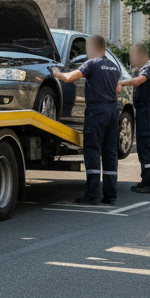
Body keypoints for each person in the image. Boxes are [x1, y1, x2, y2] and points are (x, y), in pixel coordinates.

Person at [52, 35, 121, 205]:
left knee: (92, 151)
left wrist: (55, 72)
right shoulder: (114, 67)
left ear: (93, 48)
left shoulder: (91, 64)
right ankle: (110, 195)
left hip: (97, 111)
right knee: (110, 153)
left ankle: (92, 195)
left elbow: (69, 78)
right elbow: (117, 89)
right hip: (113, 111)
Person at [119, 43, 150, 194]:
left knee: (146, 146)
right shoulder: (142, 68)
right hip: (144, 111)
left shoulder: (149, 67)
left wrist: (120, 83)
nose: (130, 58)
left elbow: (138, 81)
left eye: (132, 55)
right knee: (143, 147)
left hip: (147, 111)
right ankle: (147, 179)